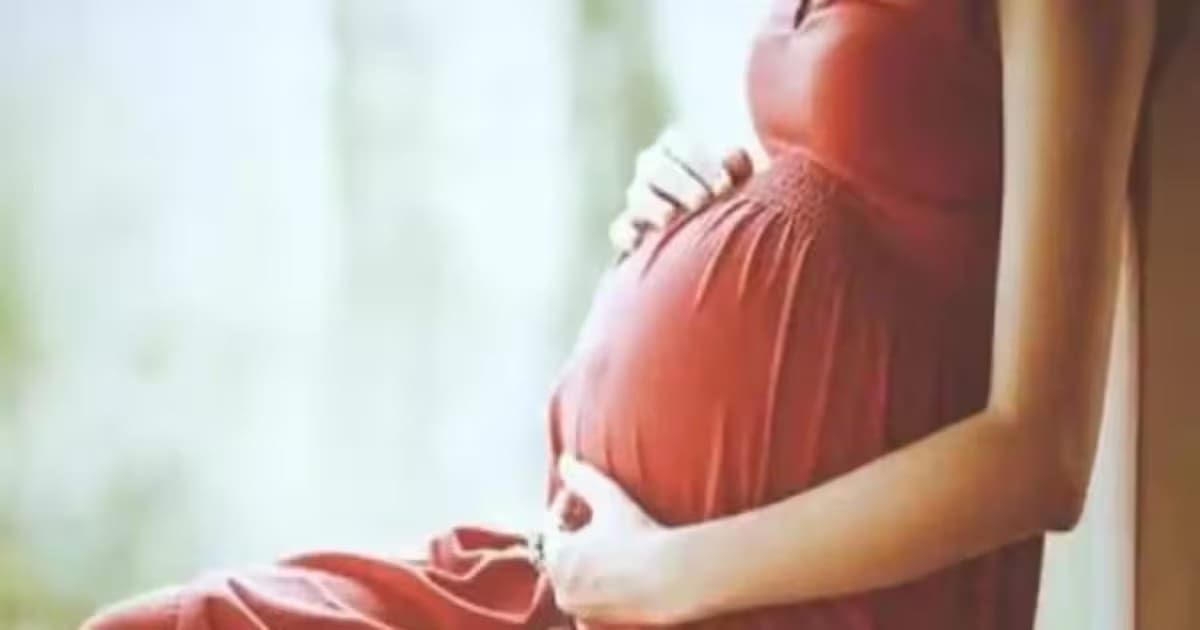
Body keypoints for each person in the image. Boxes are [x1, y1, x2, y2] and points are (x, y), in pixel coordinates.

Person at [85, 0, 1168, 628]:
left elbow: (1040, 452)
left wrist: (664, 576)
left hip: (746, 599)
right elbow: (875, 190)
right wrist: (702, 194)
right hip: (590, 576)